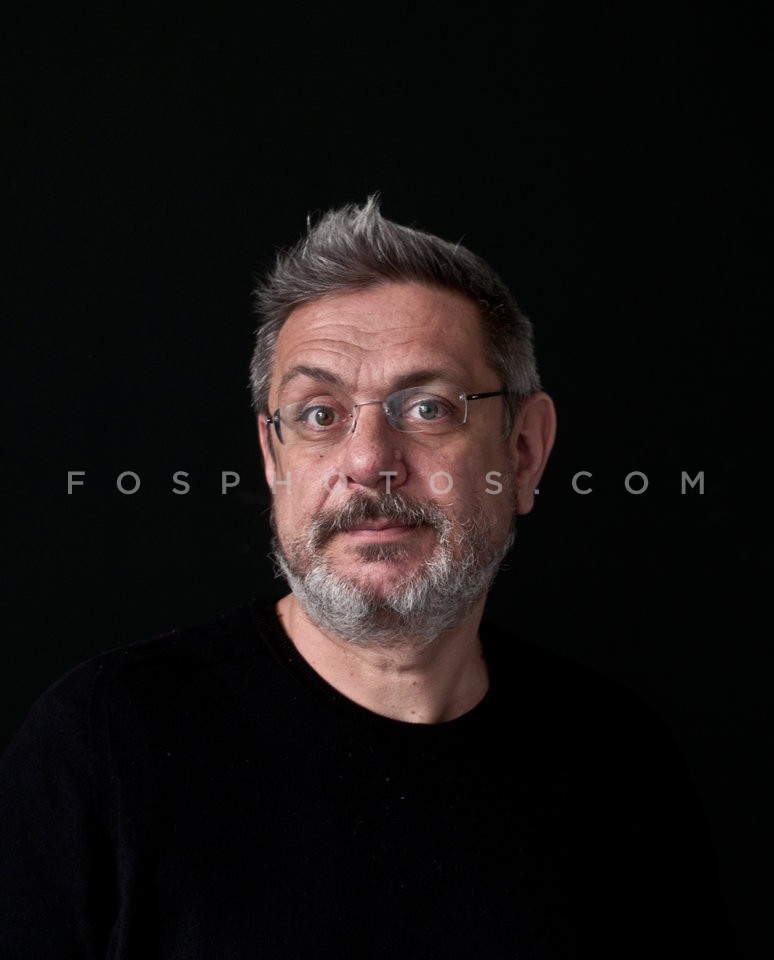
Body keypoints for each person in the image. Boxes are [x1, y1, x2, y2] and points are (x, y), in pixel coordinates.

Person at [0, 197, 728, 957]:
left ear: (522, 453)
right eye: (319, 414)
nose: (368, 460)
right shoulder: (101, 748)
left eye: (428, 408)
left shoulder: (620, 763)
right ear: (273, 458)